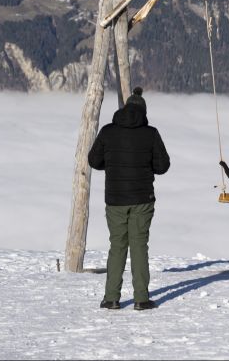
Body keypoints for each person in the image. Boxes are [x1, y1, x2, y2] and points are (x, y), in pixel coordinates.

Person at [89, 86, 170, 311]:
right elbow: (163, 166)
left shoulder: (107, 132)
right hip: (142, 198)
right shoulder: (151, 133)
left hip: (114, 199)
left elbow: (94, 161)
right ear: (144, 112)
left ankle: (111, 298)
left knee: (117, 246)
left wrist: (113, 165)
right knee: (139, 246)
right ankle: (141, 299)